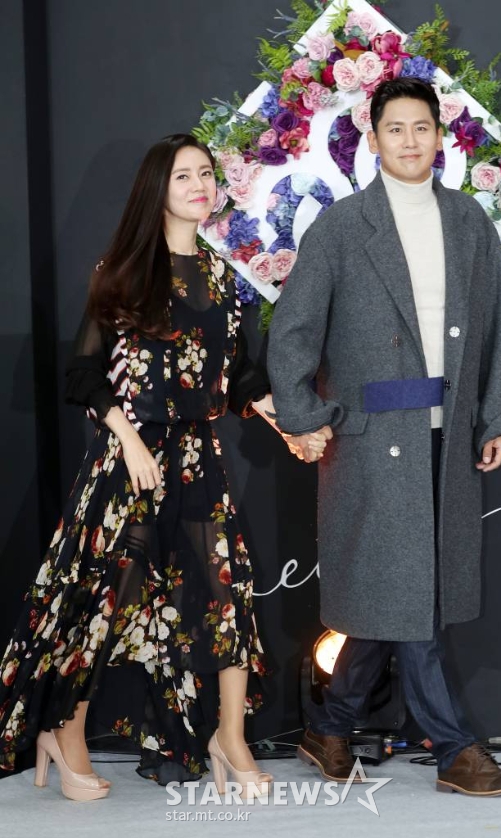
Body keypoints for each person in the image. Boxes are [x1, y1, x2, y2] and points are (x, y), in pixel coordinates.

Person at [0, 133, 320, 800]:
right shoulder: (121, 271)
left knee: (227, 593)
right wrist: (130, 441)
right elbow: (85, 375)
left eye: (206, 174)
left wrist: (288, 426)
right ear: (158, 189)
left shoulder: (221, 277)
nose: (200, 186)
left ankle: (229, 737)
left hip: (198, 459)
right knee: (107, 600)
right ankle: (64, 730)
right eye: (183, 176)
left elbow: (239, 377)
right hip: (129, 461)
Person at [267, 78, 501, 797]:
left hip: (447, 440)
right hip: (371, 442)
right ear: (373, 138)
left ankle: (330, 727)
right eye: (395, 128)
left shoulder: (469, 221)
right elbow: (293, 332)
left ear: (440, 136)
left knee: (399, 595)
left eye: (422, 127)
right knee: (409, 592)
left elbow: (496, 329)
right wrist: (305, 419)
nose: (410, 140)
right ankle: (455, 749)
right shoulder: (342, 226)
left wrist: (494, 418)